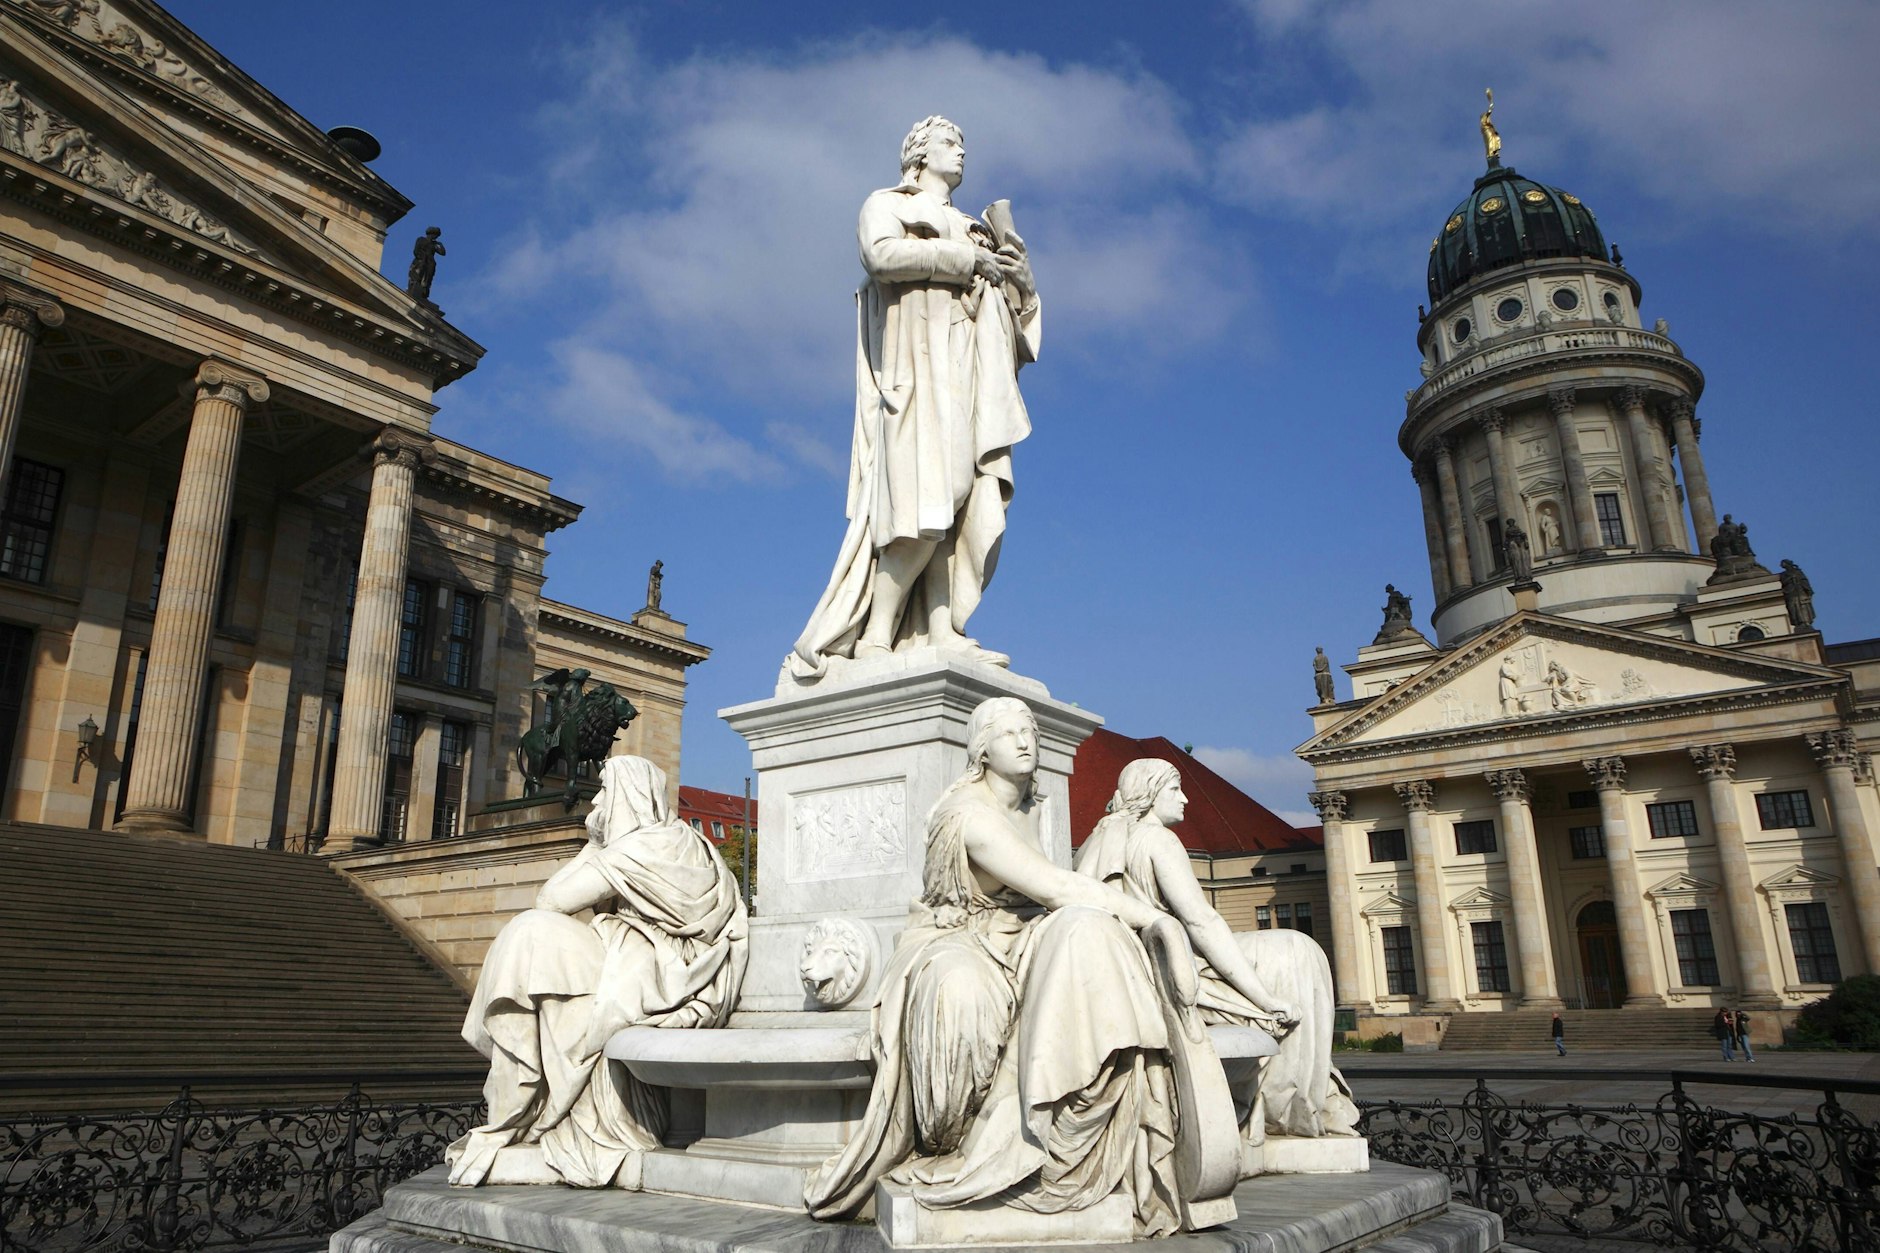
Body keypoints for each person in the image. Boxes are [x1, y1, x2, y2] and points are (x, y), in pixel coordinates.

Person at [805, 698, 1200, 1235]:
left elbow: (1059, 895)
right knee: (962, 990)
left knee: (1092, 934)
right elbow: (1054, 886)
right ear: (981, 750)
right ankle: (957, 1142)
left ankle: (1070, 1131)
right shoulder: (969, 815)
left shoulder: (1033, 807)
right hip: (960, 939)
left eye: (1029, 731)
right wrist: (1158, 921)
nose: (1024, 740)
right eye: (1009, 733)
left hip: (1020, 933)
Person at [790, 117, 1038, 678]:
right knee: (929, 496)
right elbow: (880, 256)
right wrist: (966, 261)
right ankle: (878, 633)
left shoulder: (975, 228)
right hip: (918, 368)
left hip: (970, 370)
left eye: (963, 144)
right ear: (920, 154)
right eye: (951, 143)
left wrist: (1020, 282)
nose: (961, 152)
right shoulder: (887, 204)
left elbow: (1016, 326)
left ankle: (941, 627)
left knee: (961, 500)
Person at [447, 756, 748, 1187]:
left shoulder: (645, 846)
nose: (597, 801)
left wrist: (596, 844)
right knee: (532, 940)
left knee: (530, 934)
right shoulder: (681, 839)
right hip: (657, 966)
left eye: (605, 791)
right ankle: (525, 1101)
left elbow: (552, 900)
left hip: (657, 972)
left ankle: (521, 1106)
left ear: (627, 796)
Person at [1075, 758, 1360, 1150]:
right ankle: (1293, 1106)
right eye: (1175, 789)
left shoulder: (1101, 840)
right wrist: (1265, 998)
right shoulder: (1157, 840)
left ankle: (1295, 1102)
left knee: (1292, 949)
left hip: (1146, 966)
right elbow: (1201, 921)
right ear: (1150, 794)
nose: (1185, 799)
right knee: (1298, 951)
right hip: (1177, 968)